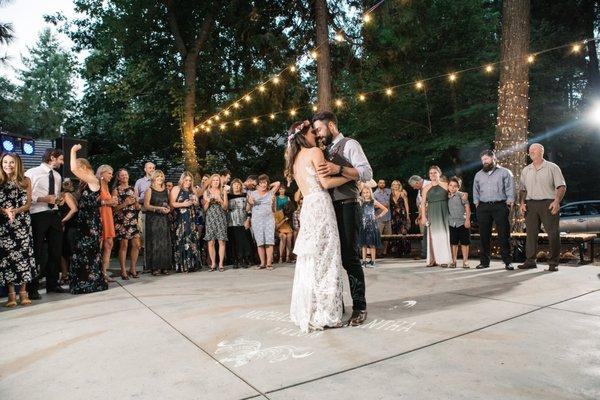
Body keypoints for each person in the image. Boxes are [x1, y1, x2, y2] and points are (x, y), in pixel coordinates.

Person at [285, 120, 351, 332]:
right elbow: (326, 183)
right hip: (321, 205)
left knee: (311, 258)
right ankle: (326, 312)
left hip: (308, 208)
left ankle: (311, 308)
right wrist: (348, 178)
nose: (316, 135)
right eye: (313, 132)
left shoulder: (294, 160)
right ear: (304, 135)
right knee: (327, 257)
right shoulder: (314, 152)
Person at [313, 111, 373, 326]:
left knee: (349, 256)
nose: (318, 134)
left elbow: (367, 173)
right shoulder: (322, 150)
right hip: (328, 209)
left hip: (348, 206)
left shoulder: (350, 144)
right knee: (332, 258)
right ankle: (337, 304)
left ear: (331, 126)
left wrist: (338, 168)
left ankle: (360, 306)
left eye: (319, 129)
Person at [24, 148, 66, 298]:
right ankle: (32, 288)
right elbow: (26, 196)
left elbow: (56, 195)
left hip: (54, 214)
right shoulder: (31, 173)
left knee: (56, 250)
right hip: (37, 215)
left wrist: (59, 199)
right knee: (37, 251)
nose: (62, 162)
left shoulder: (57, 176)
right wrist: (43, 199)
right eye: (60, 159)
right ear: (52, 157)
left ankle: (52, 284)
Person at [518, 143, 566, 271]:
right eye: (530, 150)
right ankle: (530, 261)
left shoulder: (552, 167)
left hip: (548, 203)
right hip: (530, 204)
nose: (531, 152)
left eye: (534, 150)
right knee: (531, 234)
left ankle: (553, 263)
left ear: (541, 152)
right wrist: (522, 203)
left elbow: (561, 186)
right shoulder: (526, 170)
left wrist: (556, 201)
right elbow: (522, 189)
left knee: (553, 233)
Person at [68, 145, 108, 294]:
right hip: (84, 221)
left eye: (79, 167)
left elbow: (73, 168)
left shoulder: (92, 179)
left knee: (88, 252)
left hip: (90, 222)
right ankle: (84, 282)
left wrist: (72, 151)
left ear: (84, 167)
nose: (77, 171)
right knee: (82, 252)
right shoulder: (85, 183)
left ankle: (90, 283)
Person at [0, 153, 34, 307]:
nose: (8, 165)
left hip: (22, 224)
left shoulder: (25, 180)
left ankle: (23, 293)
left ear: (17, 164)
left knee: (23, 257)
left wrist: (16, 211)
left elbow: (28, 204)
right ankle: (11, 295)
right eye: (5, 162)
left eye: (11, 162)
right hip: (4, 225)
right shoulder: (0, 181)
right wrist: (6, 211)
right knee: (8, 259)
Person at [473, 149, 515, 270]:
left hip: (500, 206)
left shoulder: (505, 172)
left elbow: (510, 188)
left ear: (493, 158)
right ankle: (484, 262)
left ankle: (507, 262)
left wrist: (509, 202)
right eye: (482, 160)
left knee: (504, 234)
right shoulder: (478, 174)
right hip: (483, 207)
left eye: (486, 159)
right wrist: (477, 203)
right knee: (484, 236)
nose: (484, 162)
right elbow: (475, 190)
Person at [420, 166, 452, 267]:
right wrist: (423, 217)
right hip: (432, 213)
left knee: (444, 235)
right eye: (431, 173)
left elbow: (454, 195)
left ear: (439, 173)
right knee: (432, 237)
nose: (433, 175)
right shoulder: (425, 188)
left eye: (435, 172)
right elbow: (423, 203)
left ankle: (444, 260)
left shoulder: (446, 185)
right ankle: (433, 259)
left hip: (444, 212)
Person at [112, 168, 141, 279]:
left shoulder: (133, 189)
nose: (124, 176)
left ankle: (132, 268)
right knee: (124, 245)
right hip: (122, 220)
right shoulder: (116, 190)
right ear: (118, 178)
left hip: (133, 219)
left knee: (137, 245)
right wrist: (125, 203)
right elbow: (114, 208)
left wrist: (136, 203)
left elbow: (137, 206)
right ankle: (123, 270)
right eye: (122, 175)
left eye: (126, 175)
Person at [247, 174, 280, 270]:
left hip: (269, 218)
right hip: (257, 219)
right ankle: (262, 263)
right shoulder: (253, 193)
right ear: (258, 184)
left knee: (269, 241)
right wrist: (251, 200)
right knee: (260, 242)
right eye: (261, 183)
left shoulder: (270, 192)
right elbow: (251, 203)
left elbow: (278, 183)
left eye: (265, 182)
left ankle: (269, 263)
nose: (263, 184)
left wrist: (268, 186)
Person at [170, 171, 201, 273]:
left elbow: (196, 204)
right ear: (182, 180)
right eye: (186, 180)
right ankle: (182, 265)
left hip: (191, 218)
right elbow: (172, 204)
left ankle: (192, 265)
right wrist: (183, 204)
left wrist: (195, 202)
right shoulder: (176, 189)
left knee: (192, 239)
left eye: (189, 180)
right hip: (180, 218)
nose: (188, 182)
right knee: (181, 239)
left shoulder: (193, 190)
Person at [144, 170, 172, 276]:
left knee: (164, 242)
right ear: (154, 178)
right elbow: (146, 206)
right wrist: (158, 208)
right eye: (158, 176)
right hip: (153, 219)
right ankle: (155, 267)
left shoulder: (166, 191)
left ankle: (164, 266)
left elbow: (169, 205)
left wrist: (168, 209)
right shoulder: (149, 190)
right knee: (155, 242)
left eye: (161, 176)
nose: (160, 178)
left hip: (164, 219)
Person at [203, 174, 229, 271]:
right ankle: (213, 263)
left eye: (217, 180)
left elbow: (226, 207)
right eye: (213, 180)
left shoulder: (223, 191)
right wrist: (208, 201)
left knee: (221, 241)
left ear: (219, 182)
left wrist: (220, 200)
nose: (215, 182)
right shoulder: (206, 192)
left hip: (221, 217)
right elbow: (205, 209)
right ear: (211, 181)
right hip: (210, 218)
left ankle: (221, 264)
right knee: (211, 242)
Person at [358, 186, 388, 268]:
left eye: (367, 192)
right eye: (364, 193)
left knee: (372, 244)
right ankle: (363, 261)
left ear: (370, 193)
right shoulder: (361, 201)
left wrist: (378, 216)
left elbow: (385, 209)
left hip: (371, 224)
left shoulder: (373, 201)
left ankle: (373, 261)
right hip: (363, 224)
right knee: (363, 244)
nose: (366, 194)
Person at [227, 178, 253, 268]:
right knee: (234, 241)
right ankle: (235, 260)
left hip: (243, 221)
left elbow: (249, 209)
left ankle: (244, 259)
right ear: (232, 186)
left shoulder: (245, 195)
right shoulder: (228, 195)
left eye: (238, 184)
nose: (237, 186)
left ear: (241, 186)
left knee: (243, 241)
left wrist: (248, 220)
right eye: (235, 184)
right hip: (231, 222)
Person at [97, 165, 117, 282]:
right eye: (109, 173)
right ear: (102, 173)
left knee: (109, 244)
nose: (111, 176)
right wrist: (107, 202)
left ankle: (104, 272)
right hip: (100, 216)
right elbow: (95, 201)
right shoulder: (96, 185)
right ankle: (97, 272)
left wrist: (113, 202)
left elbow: (107, 202)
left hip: (108, 216)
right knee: (99, 245)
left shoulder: (107, 186)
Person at [448, 176, 471, 268]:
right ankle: (454, 261)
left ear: (458, 187)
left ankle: (465, 261)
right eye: (450, 185)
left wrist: (467, 220)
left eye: (455, 186)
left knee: (464, 243)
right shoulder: (447, 196)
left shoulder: (462, 195)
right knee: (453, 243)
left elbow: (467, 207)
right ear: (448, 186)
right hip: (451, 223)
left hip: (462, 222)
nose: (452, 187)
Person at [134, 161, 155, 261]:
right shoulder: (139, 182)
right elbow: (135, 197)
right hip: (144, 212)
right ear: (145, 169)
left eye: (153, 168)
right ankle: (145, 263)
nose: (152, 169)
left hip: (155, 212)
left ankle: (153, 263)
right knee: (143, 239)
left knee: (153, 238)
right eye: (150, 168)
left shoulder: (158, 181)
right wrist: (141, 201)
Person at [58, 179, 78, 285]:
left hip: (70, 226)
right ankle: (65, 274)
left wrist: (63, 221)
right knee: (62, 251)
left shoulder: (67, 195)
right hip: (63, 227)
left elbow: (74, 209)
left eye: (69, 183)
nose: (67, 185)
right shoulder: (59, 195)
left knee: (70, 251)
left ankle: (72, 274)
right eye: (65, 183)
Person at [408, 175, 431, 259]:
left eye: (414, 186)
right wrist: (420, 215)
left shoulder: (429, 184)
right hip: (425, 214)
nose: (414, 188)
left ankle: (427, 254)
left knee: (430, 234)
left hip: (432, 213)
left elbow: (428, 202)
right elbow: (421, 204)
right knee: (425, 234)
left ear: (417, 182)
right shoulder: (420, 189)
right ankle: (425, 253)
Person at [389, 180, 411, 256]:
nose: (395, 186)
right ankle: (397, 252)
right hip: (394, 216)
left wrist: (408, 216)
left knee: (403, 232)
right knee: (395, 233)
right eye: (394, 184)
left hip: (402, 215)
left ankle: (406, 251)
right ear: (392, 186)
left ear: (399, 185)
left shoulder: (403, 193)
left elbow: (406, 205)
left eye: (397, 184)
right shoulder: (390, 194)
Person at [373, 179, 392, 256]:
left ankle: (384, 252)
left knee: (388, 236)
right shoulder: (374, 194)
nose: (382, 184)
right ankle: (378, 252)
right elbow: (373, 205)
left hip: (388, 217)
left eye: (383, 183)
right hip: (379, 218)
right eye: (380, 183)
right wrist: (383, 205)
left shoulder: (388, 191)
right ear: (378, 184)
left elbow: (397, 189)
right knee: (379, 236)